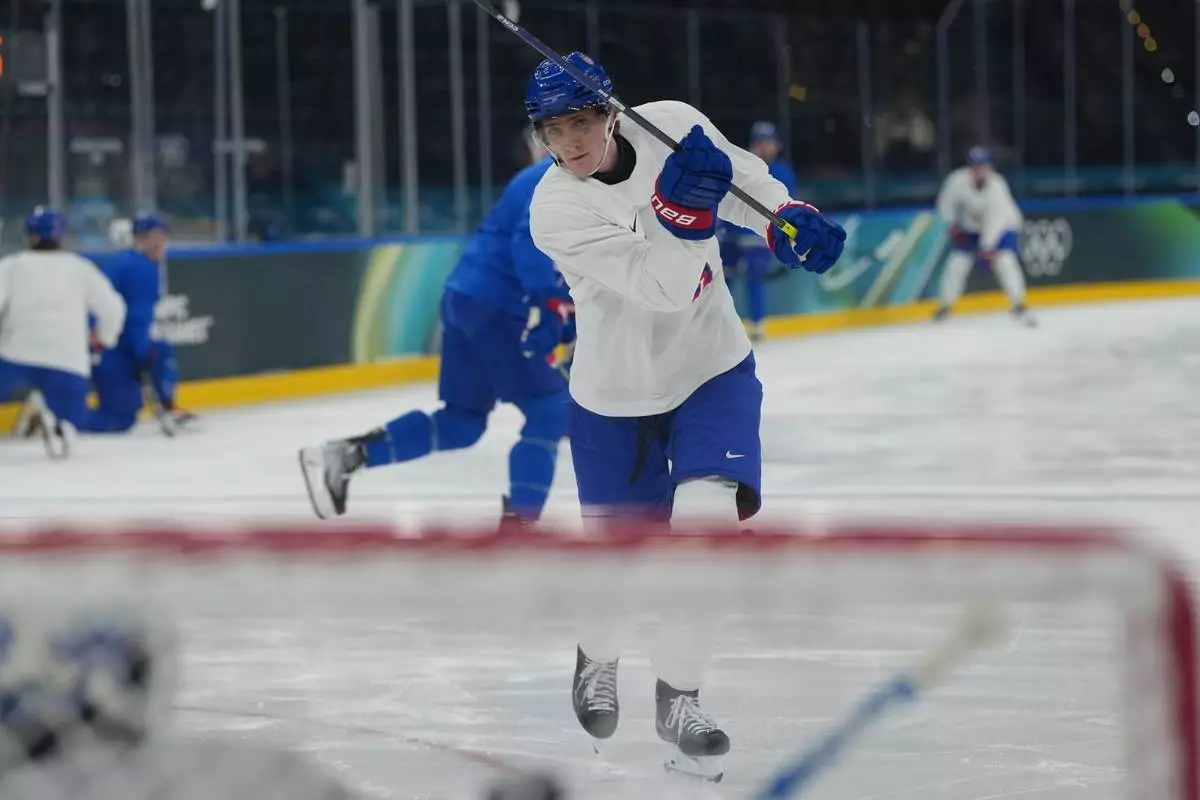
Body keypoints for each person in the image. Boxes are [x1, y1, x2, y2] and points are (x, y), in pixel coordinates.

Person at [523, 53, 845, 781]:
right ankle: (596, 653)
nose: (569, 142)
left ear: (610, 111)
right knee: (624, 565)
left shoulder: (670, 125)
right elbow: (663, 285)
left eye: (580, 122)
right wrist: (680, 215)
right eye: (552, 131)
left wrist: (783, 219)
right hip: (616, 398)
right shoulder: (556, 209)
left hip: (711, 369)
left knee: (701, 533)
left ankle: (680, 696)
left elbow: (738, 181)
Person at [299, 131, 573, 529]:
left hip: (468, 297)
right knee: (549, 412)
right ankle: (520, 528)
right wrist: (548, 303)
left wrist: (562, 310)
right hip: (501, 306)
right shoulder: (557, 177)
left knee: (462, 421)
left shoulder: (544, 176)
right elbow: (529, 244)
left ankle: (345, 456)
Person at [0, 207, 125, 459]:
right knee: (72, 420)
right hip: (67, 360)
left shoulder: (11, 266)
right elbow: (113, 308)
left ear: (28, 236)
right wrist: (104, 337)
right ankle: (63, 425)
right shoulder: (81, 268)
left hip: (15, 354)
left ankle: (45, 412)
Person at [80, 212, 193, 435]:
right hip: (107, 347)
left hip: (109, 345)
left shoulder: (130, 263)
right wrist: (141, 352)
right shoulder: (140, 268)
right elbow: (135, 319)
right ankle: (58, 415)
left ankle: (168, 405)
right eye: (154, 237)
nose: (161, 243)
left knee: (158, 352)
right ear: (140, 239)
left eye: (162, 236)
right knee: (117, 419)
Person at [933, 146, 1035, 326]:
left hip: (1003, 227)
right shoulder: (957, 181)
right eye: (975, 166)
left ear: (989, 167)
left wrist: (987, 247)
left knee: (1005, 261)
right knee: (956, 264)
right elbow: (945, 203)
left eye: (982, 166)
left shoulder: (997, 185)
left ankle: (1018, 303)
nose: (979, 170)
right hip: (970, 228)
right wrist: (951, 225)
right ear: (969, 167)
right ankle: (945, 306)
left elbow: (997, 219)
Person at [716, 121, 798, 341]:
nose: (765, 147)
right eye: (761, 142)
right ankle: (721, 327)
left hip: (760, 238)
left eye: (769, 142)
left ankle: (757, 325)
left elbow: (786, 205)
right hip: (731, 235)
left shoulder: (782, 171)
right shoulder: (742, 165)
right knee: (724, 282)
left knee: (755, 278)